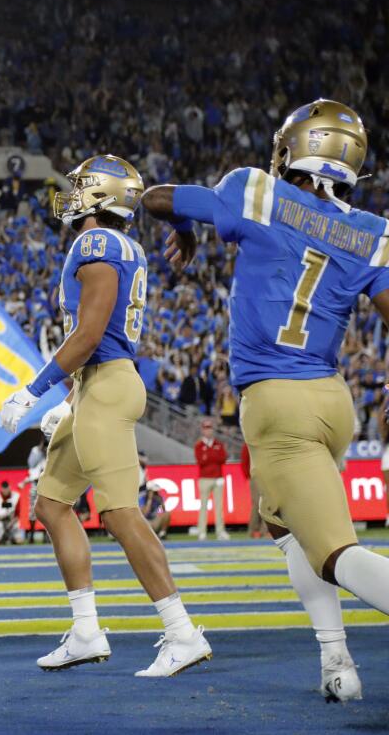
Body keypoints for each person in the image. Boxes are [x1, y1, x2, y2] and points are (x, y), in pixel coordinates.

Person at [144, 98, 389, 701]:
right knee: (286, 528)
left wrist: (184, 230)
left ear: (296, 149)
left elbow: (154, 196)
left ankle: (339, 661)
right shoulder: (372, 231)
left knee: (334, 552)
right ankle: (337, 663)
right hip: (332, 400)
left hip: (278, 402)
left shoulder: (257, 191)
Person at [1, 154, 211, 676]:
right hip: (96, 388)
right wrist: (70, 401)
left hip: (108, 384)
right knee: (51, 505)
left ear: (99, 198)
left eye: (79, 190)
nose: (69, 198)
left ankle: (182, 632)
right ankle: (86, 630)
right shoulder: (121, 245)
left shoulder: (95, 243)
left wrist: (35, 390)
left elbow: (91, 334)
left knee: (119, 514)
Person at [193, 418, 229, 541]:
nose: (208, 431)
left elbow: (223, 458)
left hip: (218, 478)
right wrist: (213, 455)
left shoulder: (218, 444)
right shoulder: (199, 445)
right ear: (202, 430)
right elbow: (201, 461)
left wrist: (209, 455)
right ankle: (202, 532)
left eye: (210, 428)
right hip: (204, 479)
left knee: (219, 507)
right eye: (206, 428)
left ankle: (220, 531)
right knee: (203, 507)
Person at [0, 480, 24, 545]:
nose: (5, 490)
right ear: (1, 488)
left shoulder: (16, 496)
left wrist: (11, 521)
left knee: (19, 541)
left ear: (10, 488)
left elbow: (17, 515)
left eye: (7, 488)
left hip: (11, 525)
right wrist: (0, 517)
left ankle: (11, 540)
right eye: (4, 488)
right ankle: (0, 540)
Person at [240, 443, 264, 539]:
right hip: (254, 477)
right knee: (257, 504)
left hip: (266, 476)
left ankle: (265, 530)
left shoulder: (264, 442)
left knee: (268, 504)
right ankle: (253, 530)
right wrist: (248, 477)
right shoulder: (248, 443)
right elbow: (245, 461)